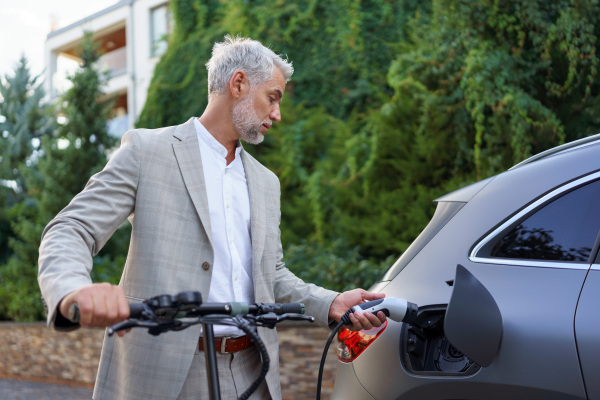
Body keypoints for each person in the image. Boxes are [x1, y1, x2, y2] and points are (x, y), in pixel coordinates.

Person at [38, 35, 385, 400]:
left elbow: (273, 274)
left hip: (254, 370)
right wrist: (73, 289)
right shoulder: (147, 151)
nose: (277, 114)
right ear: (238, 84)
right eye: (273, 97)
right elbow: (71, 228)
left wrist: (329, 302)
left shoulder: (267, 183)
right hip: (166, 373)